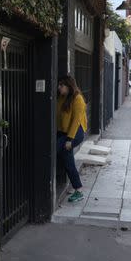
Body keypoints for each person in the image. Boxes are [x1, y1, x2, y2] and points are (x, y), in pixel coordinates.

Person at [57, 75, 88, 203]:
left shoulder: (78, 99)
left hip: (76, 132)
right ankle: (78, 189)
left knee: (55, 150)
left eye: (61, 85)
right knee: (67, 159)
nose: (59, 87)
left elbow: (76, 121)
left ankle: (78, 189)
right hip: (63, 132)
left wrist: (70, 139)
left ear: (69, 86)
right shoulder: (62, 97)